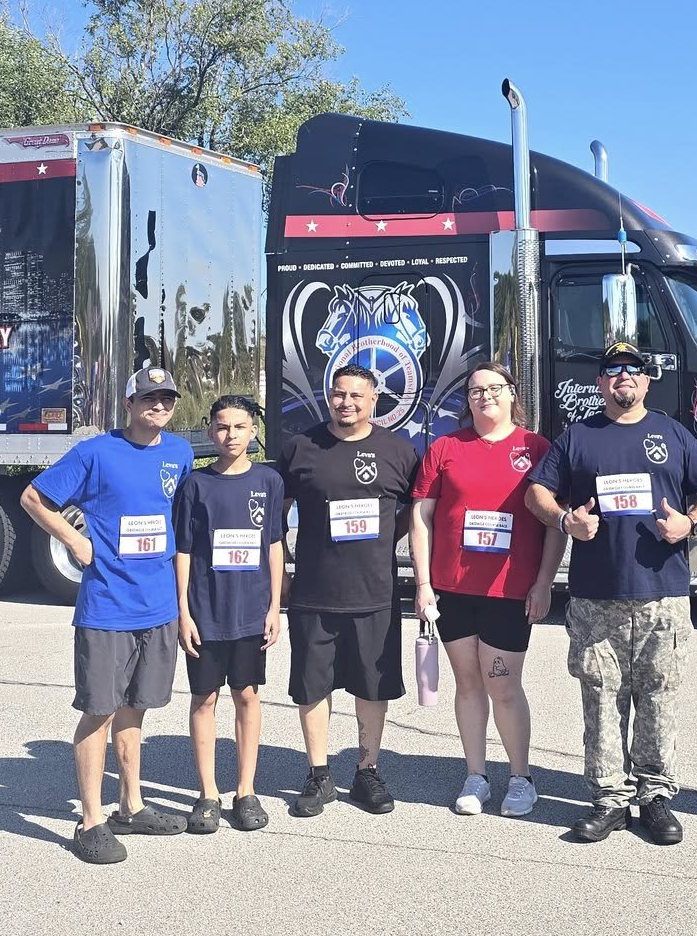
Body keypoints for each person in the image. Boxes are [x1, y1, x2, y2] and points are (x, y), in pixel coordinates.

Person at [525, 341, 697, 845]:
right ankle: (609, 798)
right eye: (613, 372)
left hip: (662, 593)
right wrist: (564, 519)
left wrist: (691, 522)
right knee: (599, 695)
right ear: (600, 383)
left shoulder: (672, 433)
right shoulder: (578, 437)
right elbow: (536, 492)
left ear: (647, 381)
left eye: (633, 371)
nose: (624, 379)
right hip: (596, 595)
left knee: (658, 696)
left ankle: (655, 797)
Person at [21, 365, 194, 864]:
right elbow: (34, 497)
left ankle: (131, 805)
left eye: (166, 399)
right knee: (99, 710)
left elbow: (177, 515)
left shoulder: (179, 453)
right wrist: (74, 539)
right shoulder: (96, 452)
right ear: (130, 403)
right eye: (148, 398)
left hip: (157, 605)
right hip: (108, 608)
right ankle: (91, 820)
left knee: (136, 708)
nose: (158, 406)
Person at [408, 360, 557, 818]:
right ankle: (476, 775)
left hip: (510, 590)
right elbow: (421, 516)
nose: (484, 396)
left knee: (503, 684)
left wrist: (544, 582)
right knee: (468, 683)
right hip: (454, 589)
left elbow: (554, 524)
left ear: (512, 394)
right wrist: (424, 584)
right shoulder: (446, 447)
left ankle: (520, 778)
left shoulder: (537, 448)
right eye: (475, 390)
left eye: (494, 388)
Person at [278, 363, 420, 818]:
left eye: (357, 396)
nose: (346, 403)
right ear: (329, 397)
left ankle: (367, 770)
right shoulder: (301, 448)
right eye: (339, 394)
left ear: (374, 400)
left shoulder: (398, 451)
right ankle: (319, 775)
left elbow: (414, 515)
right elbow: (274, 518)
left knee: (372, 687)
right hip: (313, 594)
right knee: (311, 688)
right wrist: (280, 574)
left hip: (374, 592)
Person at [174, 395, 285, 835]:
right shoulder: (196, 485)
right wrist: (183, 611)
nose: (230, 435)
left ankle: (245, 790)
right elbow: (182, 550)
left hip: (251, 612)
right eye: (222, 427)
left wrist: (276, 606)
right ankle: (207, 794)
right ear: (209, 430)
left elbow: (274, 545)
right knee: (204, 699)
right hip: (205, 612)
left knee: (247, 696)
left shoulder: (269, 481)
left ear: (253, 431)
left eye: (240, 427)